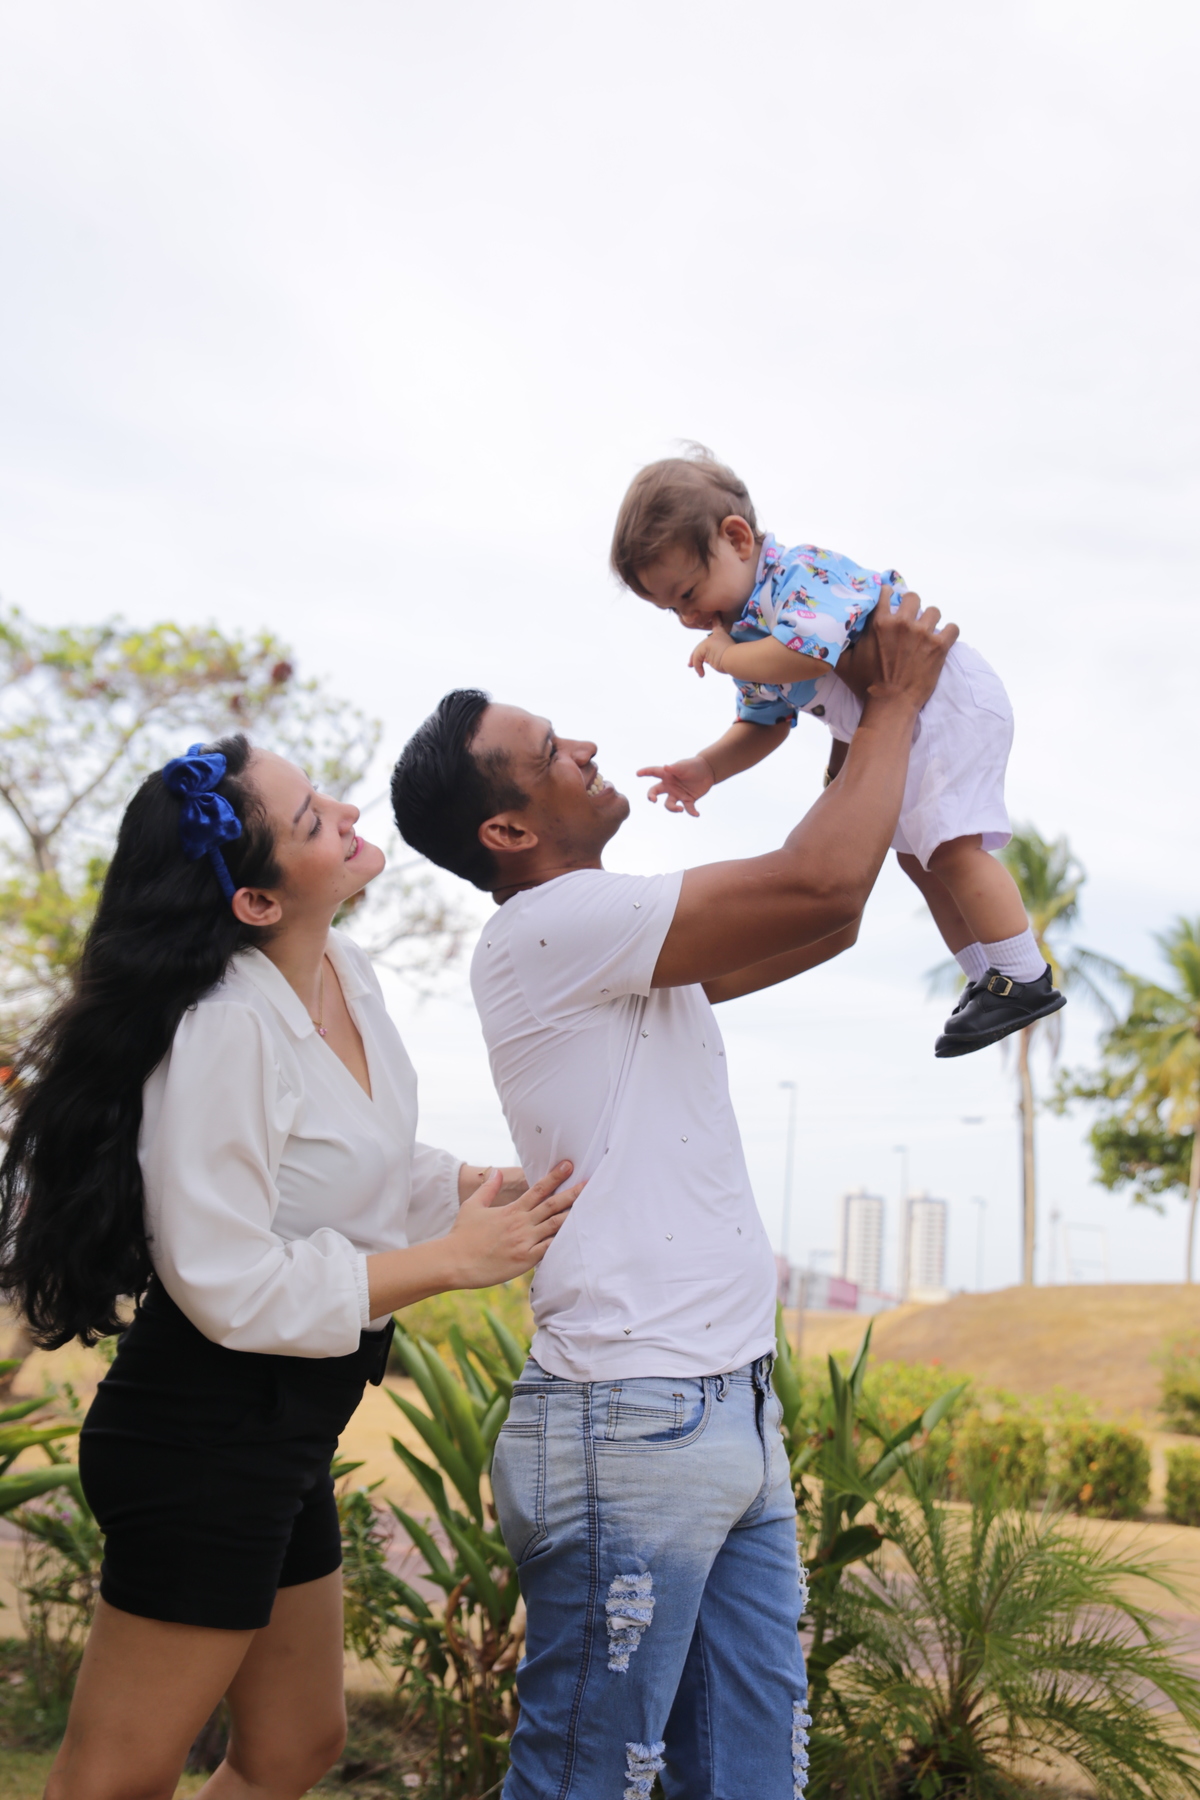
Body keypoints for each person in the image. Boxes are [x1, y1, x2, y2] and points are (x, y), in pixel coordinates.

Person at [390, 590, 953, 1800]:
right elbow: (817, 885)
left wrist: (849, 712)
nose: (586, 747)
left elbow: (830, 913)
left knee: (752, 1779)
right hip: (628, 1419)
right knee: (585, 1780)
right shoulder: (553, 928)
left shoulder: (622, 946)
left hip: (723, 1406)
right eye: (552, 751)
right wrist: (895, 702)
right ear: (506, 829)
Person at [0, 734, 579, 1800]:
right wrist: (446, 1263)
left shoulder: (345, 975)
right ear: (258, 901)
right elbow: (226, 1280)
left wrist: (466, 1187)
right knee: (116, 1779)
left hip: (286, 1425)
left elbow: (353, 1163)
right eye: (312, 820)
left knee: (293, 1748)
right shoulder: (224, 1029)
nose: (348, 813)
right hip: (202, 1429)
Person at [611, 447, 1066, 1056]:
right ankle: (990, 976)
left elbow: (807, 654)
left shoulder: (799, 574)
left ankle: (1025, 977)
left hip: (942, 702)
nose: (689, 618)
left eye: (688, 592)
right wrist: (708, 767)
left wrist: (728, 656)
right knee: (919, 860)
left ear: (737, 539)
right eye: (671, 609)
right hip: (902, 718)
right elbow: (764, 723)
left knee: (950, 847)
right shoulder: (746, 634)